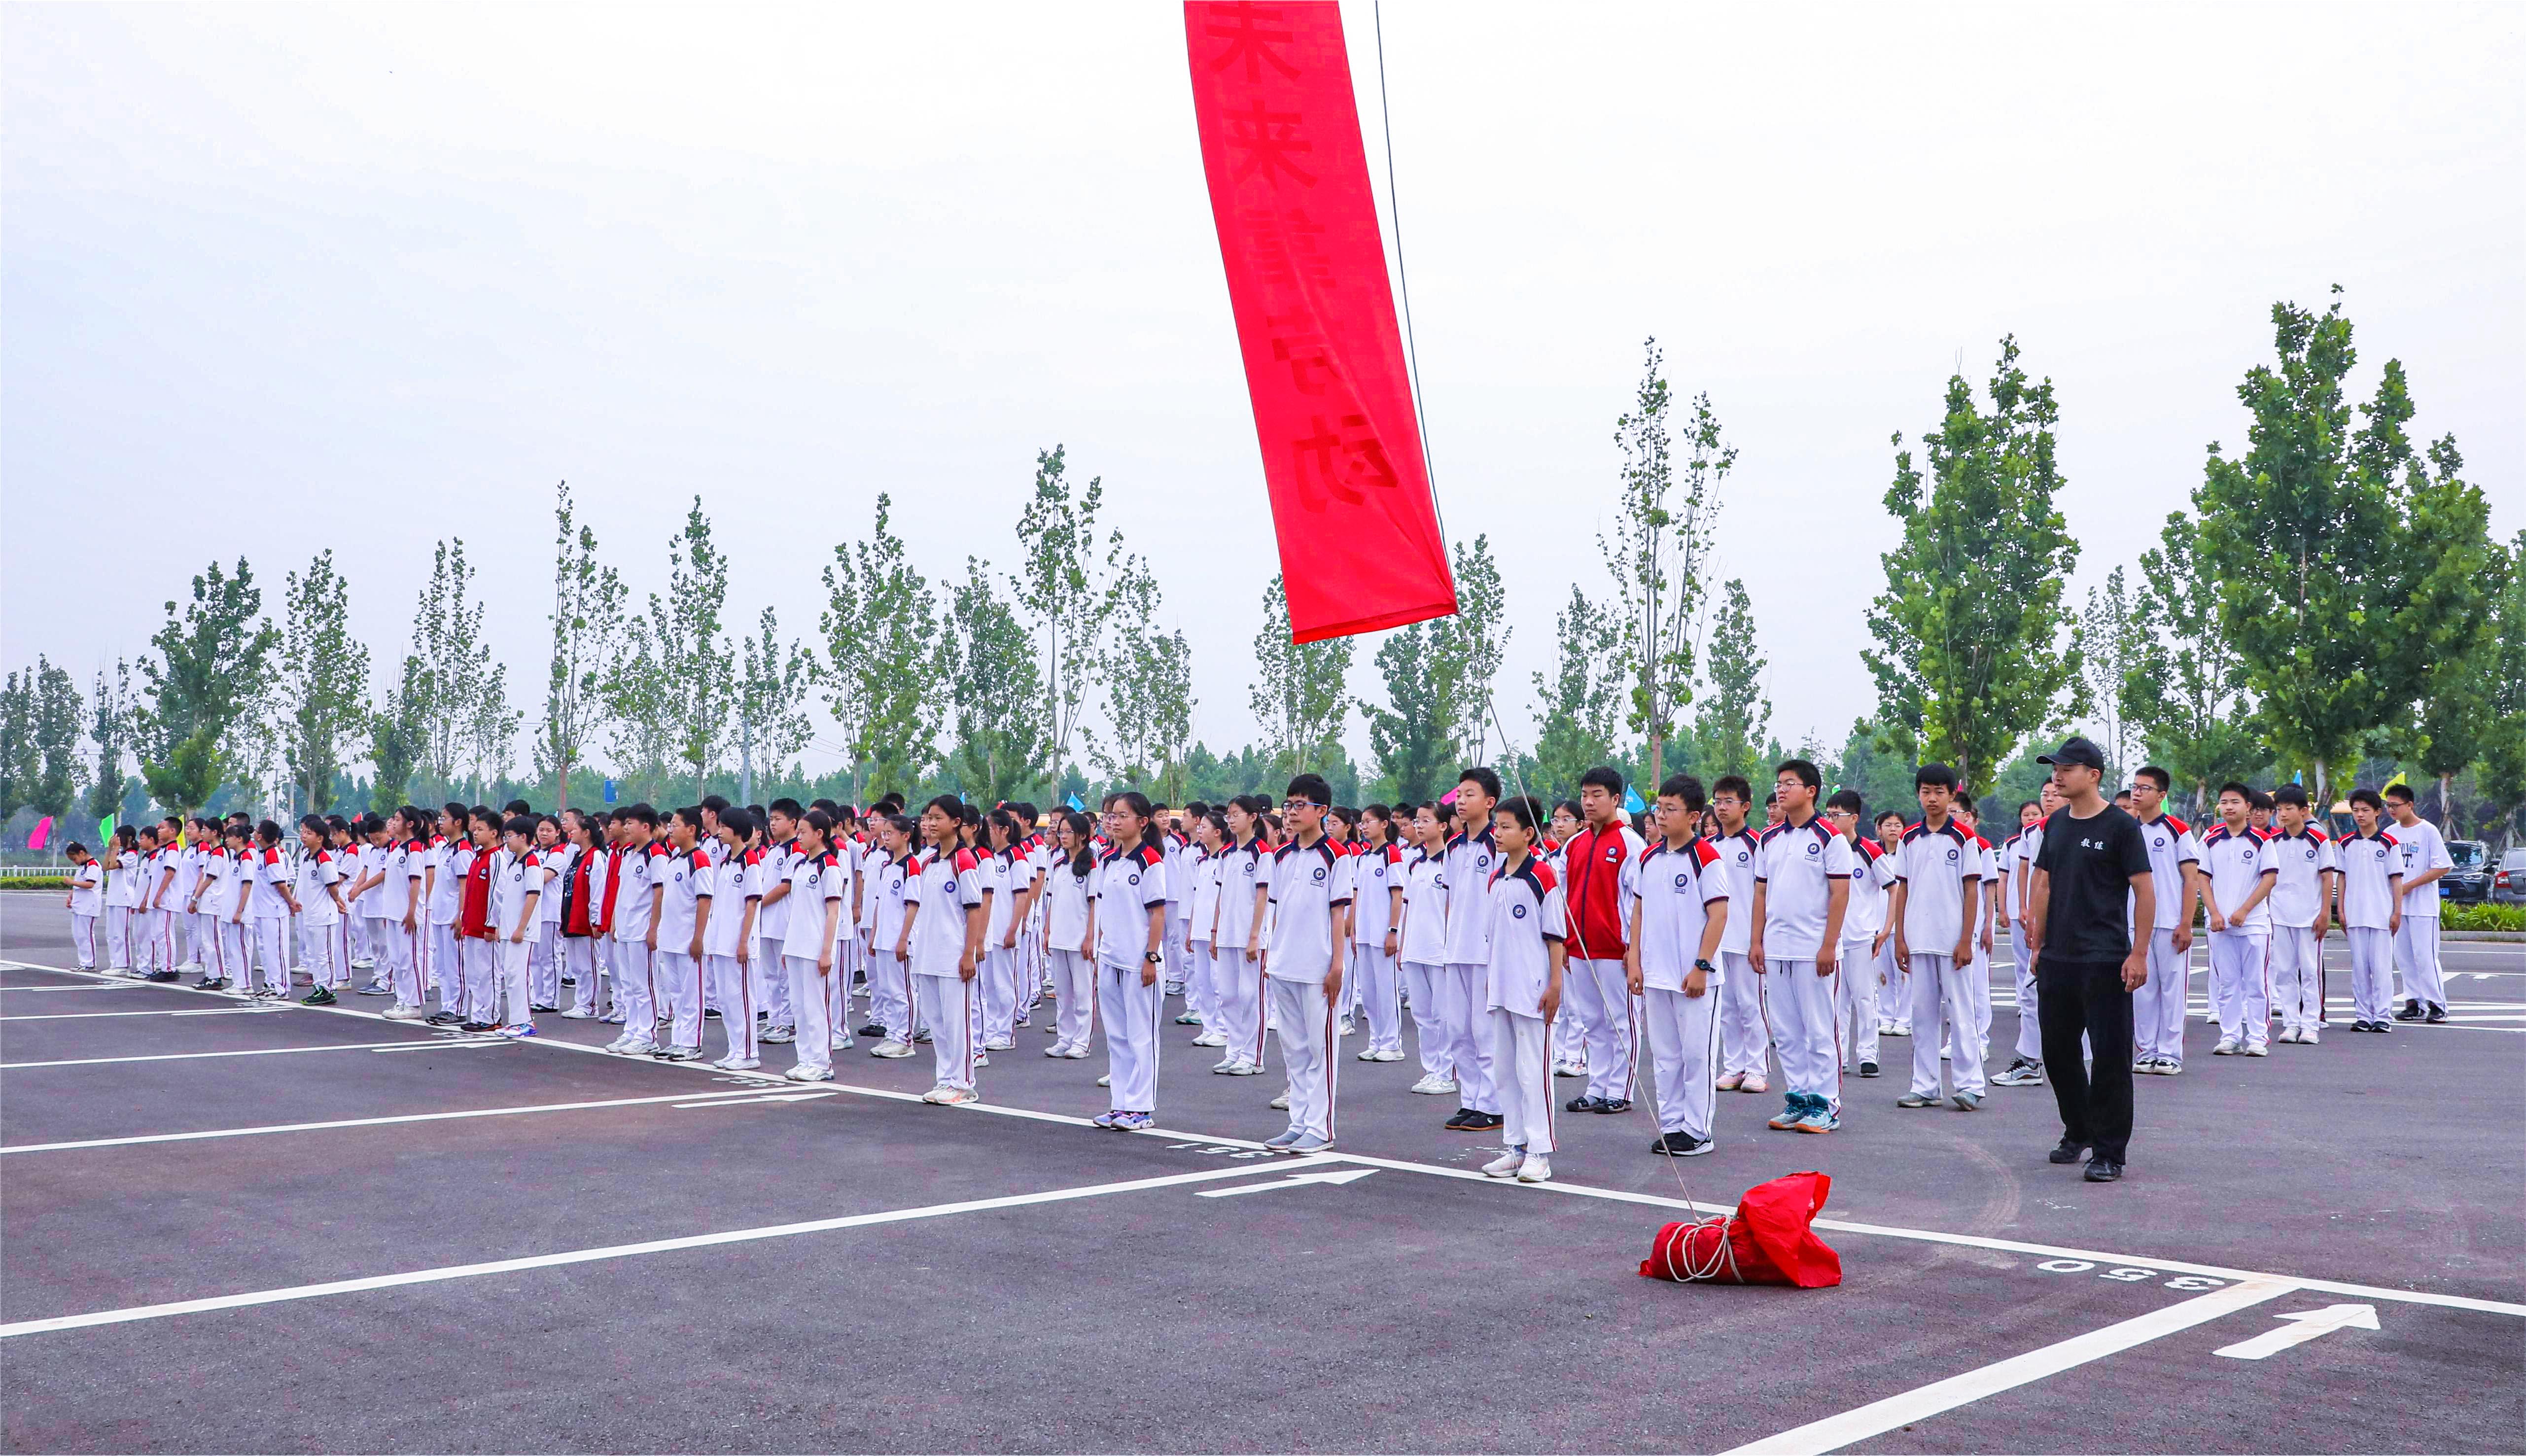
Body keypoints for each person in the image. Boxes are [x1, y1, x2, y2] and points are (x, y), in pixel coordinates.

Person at [2024, 735, 2155, 1183]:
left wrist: (2138, 953)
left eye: (2066, 768)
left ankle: (2109, 1152)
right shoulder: (2057, 825)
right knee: (2057, 1054)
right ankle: (2078, 1130)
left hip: (2105, 959)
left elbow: (2144, 889)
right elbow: (2043, 882)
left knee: (2110, 1058)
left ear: (2092, 775)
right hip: (2058, 958)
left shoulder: (2120, 826)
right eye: (2054, 768)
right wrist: (2038, 943)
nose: (2057, 776)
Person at [1628, 774, 1731, 1156]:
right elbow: (1639, 909)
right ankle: (1672, 1124)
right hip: (1656, 973)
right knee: (1666, 1056)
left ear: (1693, 816)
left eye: (1671, 810)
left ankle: (1698, 1130)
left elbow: (1718, 914)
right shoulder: (1648, 857)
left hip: (1694, 976)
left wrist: (1701, 965)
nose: (1661, 816)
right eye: (1660, 808)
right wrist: (1634, 959)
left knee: (1696, 1055)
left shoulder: (1706, 858)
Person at [1750, 760, 1854, 1134]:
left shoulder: (1830, 837)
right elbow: (1761, 891)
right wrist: (1756, 941)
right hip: (1777, 948)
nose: (1781, 790)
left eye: (1789, 784)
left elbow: (1840, 892)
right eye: (1779, 784)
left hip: (1814, 950)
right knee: (1787, 1030)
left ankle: (1826, 1104)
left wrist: (1829, 944)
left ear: (1811, 791)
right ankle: (1797, 1097)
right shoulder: (1770, 838)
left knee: (1819, 1028)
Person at [1479, 795, 1565, 1182]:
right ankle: (1514, 1147)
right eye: (1496, 826)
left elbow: (1555, 937)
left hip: (1532, 989)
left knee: (1534, 1072)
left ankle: (1539, 1152)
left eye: (1507, 827)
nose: (1498, 833)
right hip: (1500, 987)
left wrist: (1555, 983)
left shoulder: (1542, 876)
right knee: (1505, 1071)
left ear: (1529, 833)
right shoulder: (1497, 877)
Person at [1889, 765, 1984, 1110]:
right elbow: (1903, 887)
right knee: (1922, 1015)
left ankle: (1971, 1084)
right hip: (1918, 939)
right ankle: (1925, 1085)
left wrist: (1966, 939)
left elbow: (1972, 890)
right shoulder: (1909, 838)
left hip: (1952, 940)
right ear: (1919, 794)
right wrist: (1901, 938)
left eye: (1939, 792)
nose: (1932, 798)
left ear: (1951, 795)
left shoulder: (1964, 838)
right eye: (1926, 791)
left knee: (1961, 1014)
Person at [1263, 775, 1348, 1152]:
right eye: (1290, 804)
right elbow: (1277, 911)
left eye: (1301, 805)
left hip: (1317, 968)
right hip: (1284, 964)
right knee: (1293, 1050)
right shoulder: (1281, 855)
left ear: (1322, 811)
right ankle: (1298, 1122)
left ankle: (1320, 1127)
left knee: (1320, 1050)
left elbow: (1338, 915)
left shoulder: (1336, 856)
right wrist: (1272, 956)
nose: (1292, 812)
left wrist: (1337, 965)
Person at [1559, 766, 1646, 1115]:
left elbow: (1638, 901)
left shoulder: (1630, 843)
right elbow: (1564, 894)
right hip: (1580, 947)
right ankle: (1596, 1086)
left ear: (1614, 799)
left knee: (1621, 1021)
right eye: (1585, 795)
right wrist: (1566, 941)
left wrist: (1632, 947)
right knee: (1591, 1021)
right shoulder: (1575, 844)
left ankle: (1621, 1089)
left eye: (1597, 796)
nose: (1589, 802)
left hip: (1615, 949)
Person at [1093, 793, 1172, 1131]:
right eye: (1111, 816)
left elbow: (1157, 913)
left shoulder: (1150, 860)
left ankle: (1141, 1107)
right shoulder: (1108, 859)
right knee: (1118, 1035)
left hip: (1140, 960)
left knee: (1143, 1035)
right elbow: (1104, 909)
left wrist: (1151, 956)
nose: (1114, 821)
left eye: (1122, 816)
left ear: (1142, 822)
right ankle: (1120, 1102)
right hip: (1111, 957)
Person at [906, 796, 985, 1104]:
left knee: (956, 1022)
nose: (931, 824)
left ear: (956, 823)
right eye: (928, 818)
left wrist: (969, 953)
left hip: (953, 954)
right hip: (927, 953)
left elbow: (973, 910)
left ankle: (964, 1083)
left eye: (938, 818)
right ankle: (945, 1079)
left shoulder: (964, 860)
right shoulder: (928, 862)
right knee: (936, 1022)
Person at [1438, 769, 1505, 1133]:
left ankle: (1492, 1104)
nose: (1461, 802)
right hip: (1456, 949)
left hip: (1484, 951)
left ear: (1490, 802)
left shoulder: (1497, 844)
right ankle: (1470, 1099)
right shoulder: (1453, 846)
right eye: (1459, 795)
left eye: (1470, 795)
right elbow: (1451, 900)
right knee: (1458, 1030)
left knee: (1484, 1031)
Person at [2126, 768, 2200, 1075]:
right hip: (2135, 925)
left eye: (2145, 788)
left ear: (2162, 795)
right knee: (2141, 989)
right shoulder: (2127, 830)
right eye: (2135, 787)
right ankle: (2146, 1051)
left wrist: (2186, 923)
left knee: (2172, 990)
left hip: (2170, 922)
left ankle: (2170, 1053)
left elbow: (2191, 879)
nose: (2137, 793)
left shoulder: (2177, 830)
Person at [2199, 783, 2277, 1057]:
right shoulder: (2210, 838)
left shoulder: (2261, 840)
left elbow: (2270, 878)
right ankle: (2230, 1036)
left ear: (2248, 808)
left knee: (2256, 983)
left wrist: (2244, 910)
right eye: (2224, 802)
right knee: (2227, 983)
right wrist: (2214, 913)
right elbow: (2202, 878)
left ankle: (2258, 1037)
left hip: (2254, 923)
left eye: (2235, 802)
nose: (2228, 807)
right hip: (2220, 925)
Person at [1824, 789, 1892, 1078]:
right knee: (1836, 1000)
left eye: (1835, 815)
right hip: (1833, 937)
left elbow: (1893, 887)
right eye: (1827, 814)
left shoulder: (1870, 852)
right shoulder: (1826, 847)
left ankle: (1868, 1054)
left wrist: (1886, 928)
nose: (1829, 820)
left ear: (1853, 818)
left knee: (1865, 997)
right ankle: (1839, 1054)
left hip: (1862, 936)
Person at [1706, 776, 1767, 1096]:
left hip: (1747, 938)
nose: (1721, 807)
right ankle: (1734, 1066)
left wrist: (1759, 939)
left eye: (1729, 801)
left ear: (1746, 806)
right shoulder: (1710, 848)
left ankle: (1757, 1068)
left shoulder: (1756, 844)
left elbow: (1765, 893)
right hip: (1718, 941)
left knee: (1751, 1004)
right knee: (1727, 1007)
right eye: (1717, 801)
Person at [2264, 785, 2338, 1044]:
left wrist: (2325, 913)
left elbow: (2328, 878)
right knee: (2284, 971)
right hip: (2280, 915)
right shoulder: (2272, 842)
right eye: (2279, 810)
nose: (2282, 815)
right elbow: (2268, 880)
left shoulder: (2318, 839)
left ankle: (2310, 1025)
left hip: (2309, 916)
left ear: (2304, 811)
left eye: (2289, 809)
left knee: (2310, 971)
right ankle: (2291, 1023)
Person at [1397, 801, 1456, 1097]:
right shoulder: (1415, 864)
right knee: (1421, 1014)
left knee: (1443, 1015)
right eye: (1417, 821)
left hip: (1440, 949)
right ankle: (1431, 1069)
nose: (1419, 826)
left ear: (1443, 826)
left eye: (1426, 821)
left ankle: (1446, 1072)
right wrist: (1402, 944)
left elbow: (1452, 909)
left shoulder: (1451, 862)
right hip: (1414, 949)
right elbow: (1407, 908)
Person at [1211, 795, 1271, 1078]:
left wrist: (1255, 936)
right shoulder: (1226, 854)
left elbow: (1263, 896)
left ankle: (1252, 1055)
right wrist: (1214, 933)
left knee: (1251, 995)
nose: (1231, 820)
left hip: (1250, 937)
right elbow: (1221, 896)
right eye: (1229, 815)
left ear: (1253, 817)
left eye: (1236, 815)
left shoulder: (1262, 852)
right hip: (1227, 934)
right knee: (1228, 995)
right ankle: (1234, 1051)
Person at [2336, 790, 2404, 1032]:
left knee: (2382, 968)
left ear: (2377, 812)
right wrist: (2341, 911)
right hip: (2355, 915)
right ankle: (2363, 1015)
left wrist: (2397, 912)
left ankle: (2383, 1016)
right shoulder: (2345, 844)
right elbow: (2341, 879)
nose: (2360, 815)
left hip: (2382, 915)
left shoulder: (2389, 844)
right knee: (2360, 968)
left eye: (2365, 810)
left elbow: (2396, 881)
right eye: (2356, 810)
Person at [2385, 784, 2453, 1022]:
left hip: (2423, 907)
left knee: (2425, 956)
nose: (2391, 810)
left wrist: (2409, 886)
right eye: (2388, 806)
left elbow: (2442, 867)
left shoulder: (2428, 831)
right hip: (2398, 907)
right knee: (2403, 956)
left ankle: (2438, 1004)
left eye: (2396, 805)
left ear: (2410, 805)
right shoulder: (2390, 833)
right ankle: (2414, 1002)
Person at [651, 807, 713, 1062]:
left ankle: (692, 1043)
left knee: (692, 994)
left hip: (689, 940)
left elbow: (704, 900)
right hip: (671, 938)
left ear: (692, 830)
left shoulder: (699, 860)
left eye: (676, 825)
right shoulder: (674, 859)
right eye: (671, 825)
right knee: (676, 993)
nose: (671, 830)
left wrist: (698, 937)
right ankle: (678, 1040)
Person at [703, 807, 763, 1069]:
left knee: (742, 998)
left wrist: (743, 941)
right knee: (727, 999)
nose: (719, 831)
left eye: (724, 827)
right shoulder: (726, 862)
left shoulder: (751, 861)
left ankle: (748, 1053)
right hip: (721, 940)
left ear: (738, 830)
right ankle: (735, 1048)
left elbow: (751, 904)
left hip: (739, 943)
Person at [1348, 804, 1407, 1064]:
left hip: (1383, 933)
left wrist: (1393, 931)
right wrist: (1354, 930)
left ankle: (1392, 1043)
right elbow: (1357, 894)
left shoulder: (1391, 854)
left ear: (1384, 824)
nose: (1364, 826)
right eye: (1362, 822)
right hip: (1364, 934)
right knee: (1369, 991)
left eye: (1369, 821)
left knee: (1386, 989)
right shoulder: (1362, 858)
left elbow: (1398, 895)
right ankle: (1376, 1040)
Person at [1042, 811, 1099, 1060]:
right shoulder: (1057, 864)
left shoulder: (1092, 864)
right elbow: (1052, 900)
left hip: (1080, 939)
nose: (1062, 837)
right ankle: (1065, 1038)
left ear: (1083, 836)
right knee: (1063, 993)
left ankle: (1081, 1041)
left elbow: (1094, 903)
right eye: (1060, 832)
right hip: (1059, 936)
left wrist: (1090, 937)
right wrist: (1047, 930)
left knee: (1083, 993)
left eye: (1068, 832)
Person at [489, 814, 548, 1040]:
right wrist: (501, 927)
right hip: (509, 929)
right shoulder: (515, 862)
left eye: (509, 837)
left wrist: (521, 928)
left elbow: (533, 895)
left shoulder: (532, 862)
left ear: (523, 837)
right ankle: (516, 1020)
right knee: (510, 975)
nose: (506, 842)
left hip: (522, 932)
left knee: (518, 974)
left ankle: (525, 1021)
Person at [293, 814, 348, 1005]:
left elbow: (332, 886)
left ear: (320, 838)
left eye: (309, 833)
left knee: (324, 955)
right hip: (310, 914)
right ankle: (318, 986)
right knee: (314, 955)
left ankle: (328, 989)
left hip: (324, 916)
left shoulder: (324, 860)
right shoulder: (307, 857)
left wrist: (339, 902)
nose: (304, 836)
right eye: (303, 832)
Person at [65, 842, 103, 970]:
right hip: (79, 905)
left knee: (86, 934)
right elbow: (78, 885)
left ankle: (90, 963)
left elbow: (90, 884)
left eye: (74, 859)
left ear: (82, 853)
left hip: (89, 906)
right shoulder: (83, 867)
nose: (75, 862)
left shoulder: (93, 865)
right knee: (79, 935)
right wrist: (71, 895)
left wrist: (71, 882)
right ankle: (84, 961)